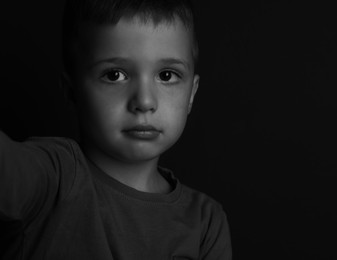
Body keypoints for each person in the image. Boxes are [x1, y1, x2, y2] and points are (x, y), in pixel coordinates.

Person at [0, 0, 232, 259]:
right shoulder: (49, 176)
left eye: (166, 75)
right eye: (115, 75)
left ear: (191, 93)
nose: (144, 101)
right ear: (72, 90)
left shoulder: (206, 222)